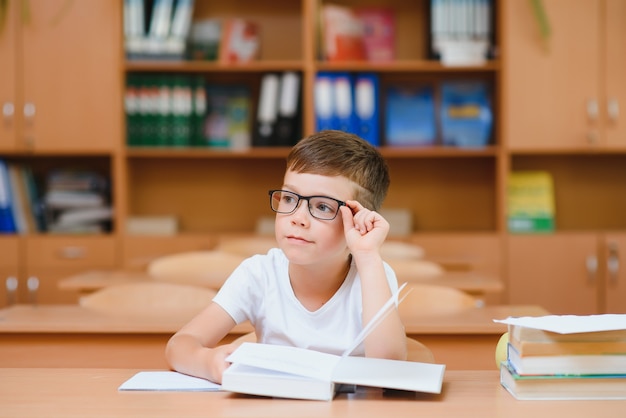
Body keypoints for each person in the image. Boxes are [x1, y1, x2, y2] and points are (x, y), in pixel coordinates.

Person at [165, 130, 406, 383]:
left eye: (322, 206)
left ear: (357, 219)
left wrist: (367, 256)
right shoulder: (259, 274)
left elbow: (388, 366)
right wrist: (208, 362)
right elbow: (179, 346)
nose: (298, 218)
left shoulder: (373, 273)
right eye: (290, 198)